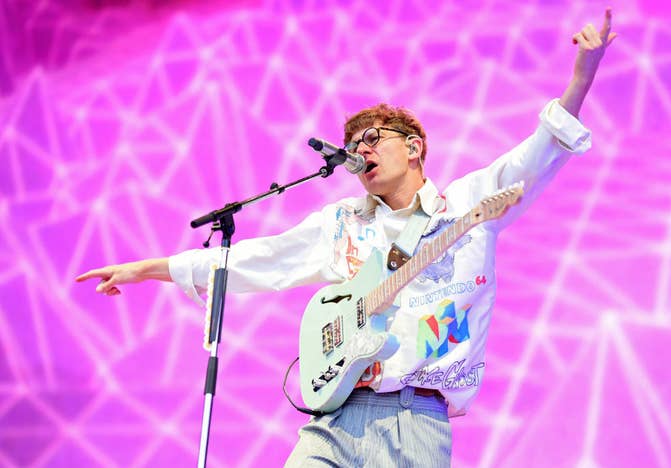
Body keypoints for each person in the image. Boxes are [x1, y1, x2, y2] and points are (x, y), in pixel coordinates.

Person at [77, 9, 616, 467]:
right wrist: (147, 268)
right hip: (333, 415)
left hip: (415, 420)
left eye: (373, 140)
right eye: (353, 147)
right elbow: (261, 260)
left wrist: (582, 77)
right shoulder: (342, 223)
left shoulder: (469, 203)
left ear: (415, 147)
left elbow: (538, 153)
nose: (361, 153)